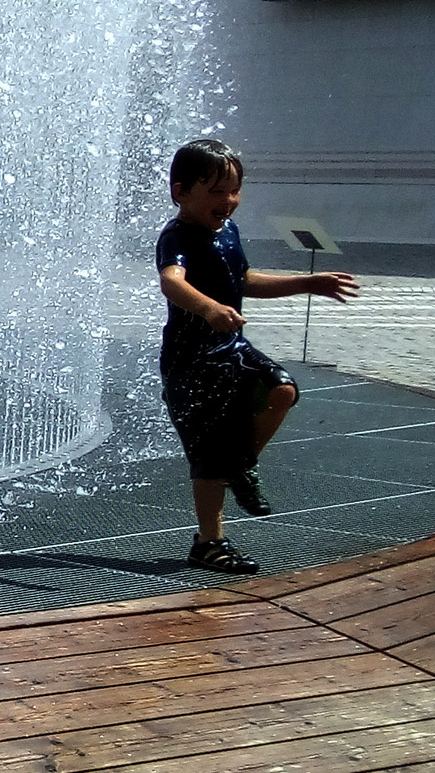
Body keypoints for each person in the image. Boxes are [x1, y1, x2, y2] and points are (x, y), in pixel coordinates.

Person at [157, 139, 358, 574]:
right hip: (192, 357)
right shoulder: (178, 235)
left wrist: (308, 283)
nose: (228, 201)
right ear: (180, 193)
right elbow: (172, 282)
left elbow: (242, 278)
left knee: (281, 389)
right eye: (215, 191)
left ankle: (240, 466)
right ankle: (210, 541)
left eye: (234, 190)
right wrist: (208, 307)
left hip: (231, 348)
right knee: (208, 451)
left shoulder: (227, 231)